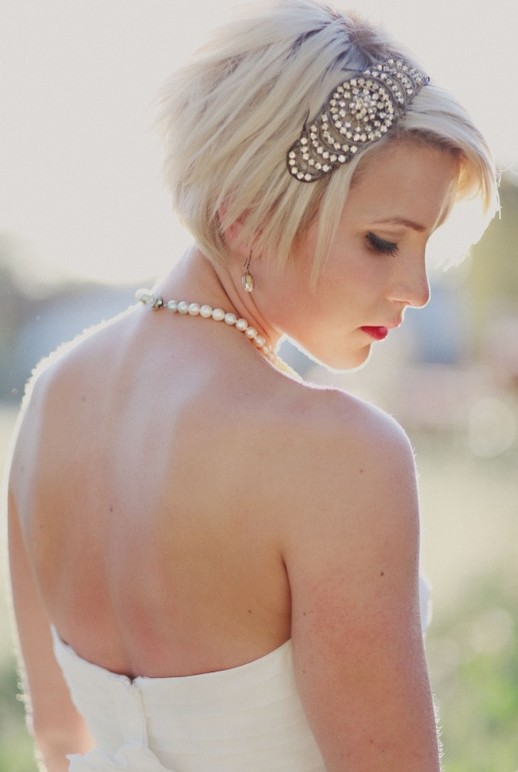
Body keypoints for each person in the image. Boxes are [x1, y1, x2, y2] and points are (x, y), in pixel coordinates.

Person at [6, 1, 498, 770]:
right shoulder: (337, 454)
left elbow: (61, 742)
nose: (417, 291)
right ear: (247, 217)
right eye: (383, 242)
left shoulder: (51, 398)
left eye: (425, 248)